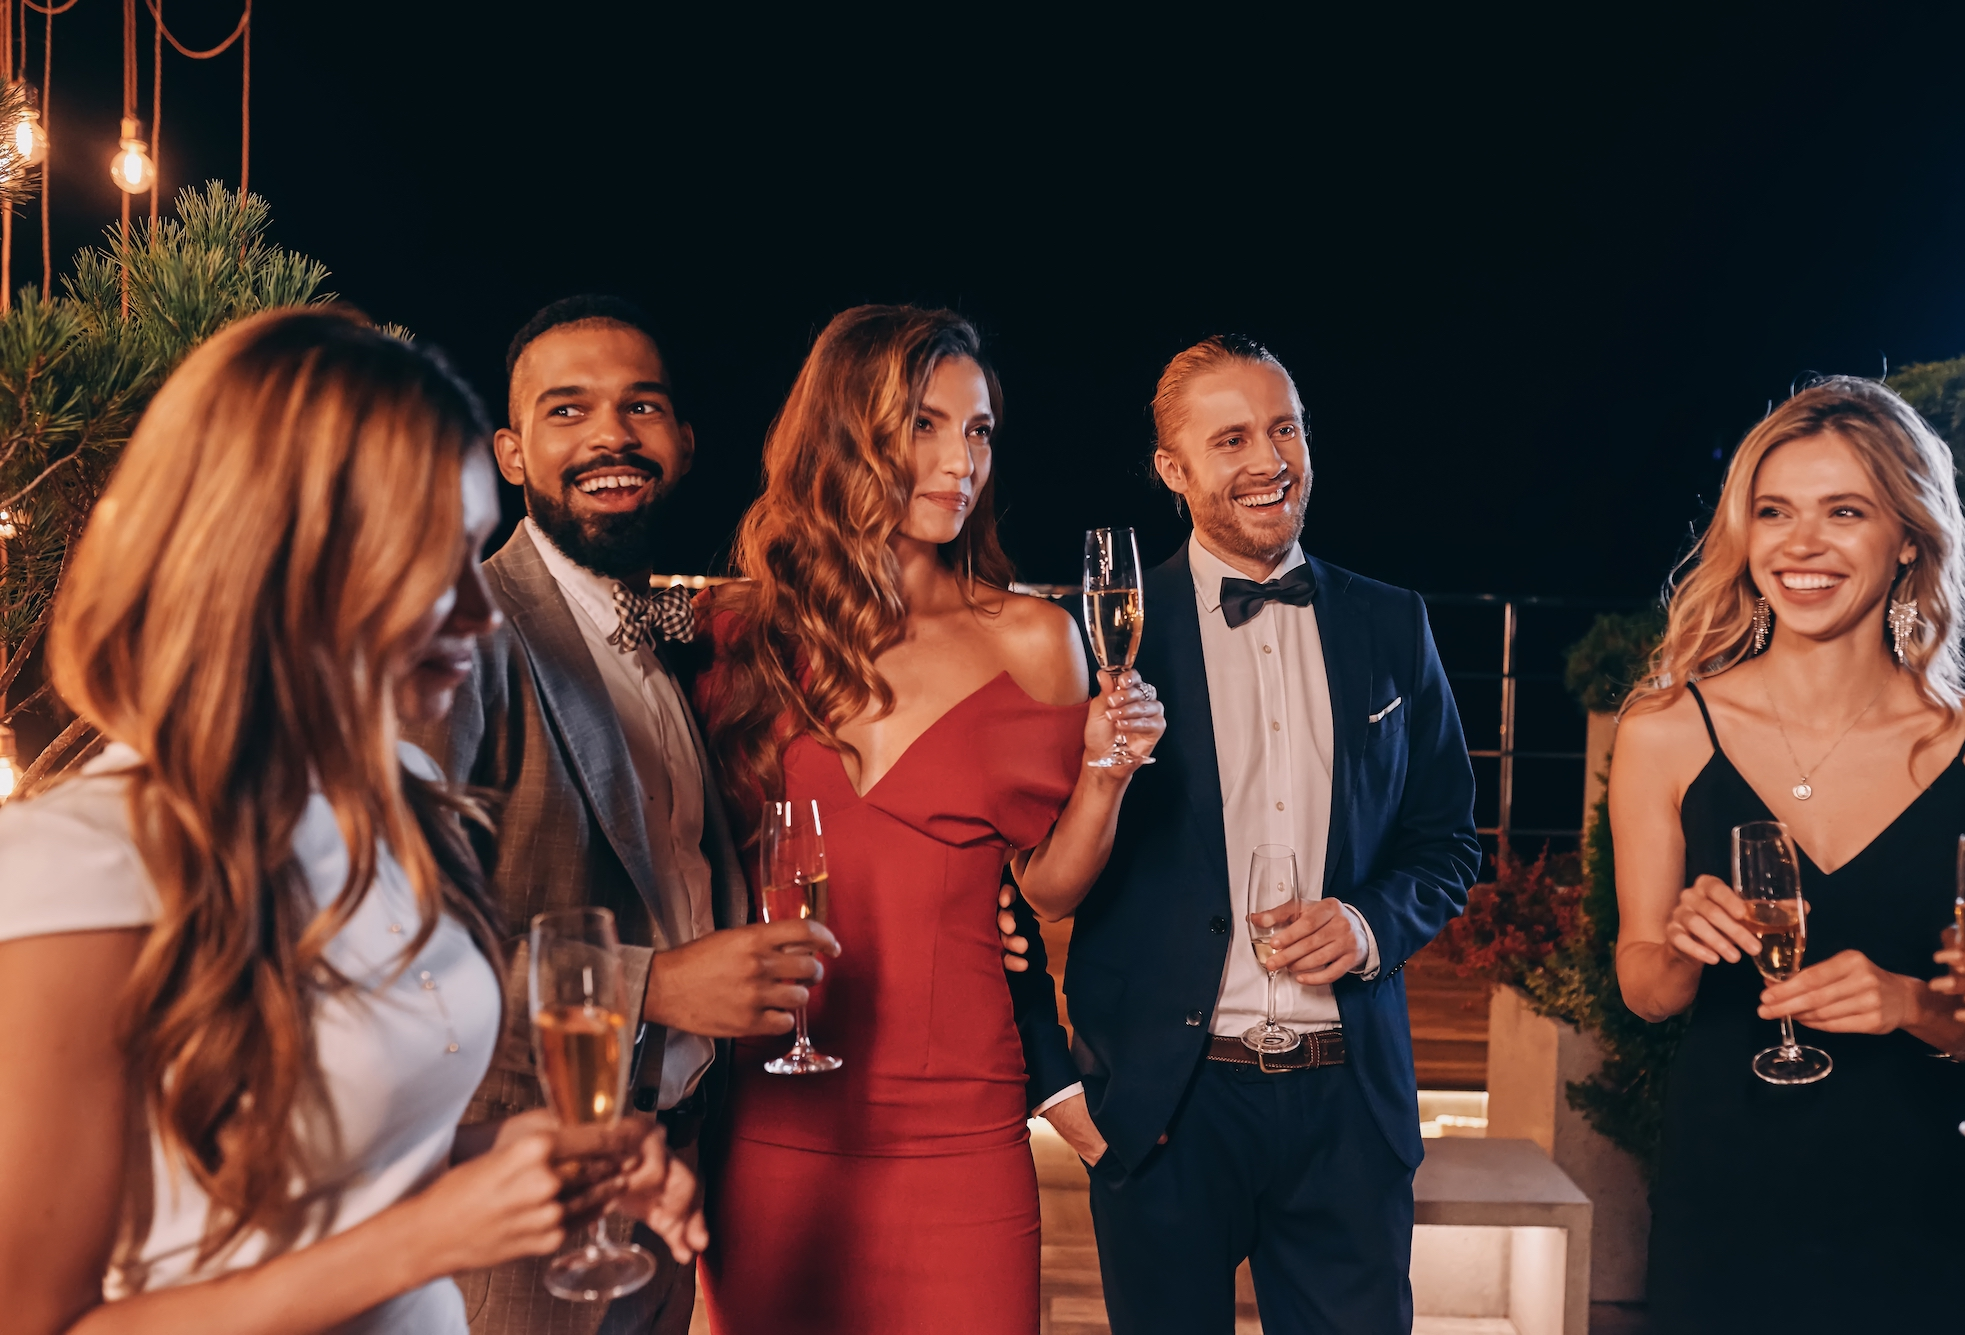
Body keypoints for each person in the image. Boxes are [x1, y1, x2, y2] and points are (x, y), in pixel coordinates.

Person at [0, 307, 675, 1334]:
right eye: (427, 558)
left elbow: (345, 1170)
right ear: (273, 555)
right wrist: (431, 1238)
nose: (479, 612)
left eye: (475, 551)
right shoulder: (81, 862)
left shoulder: (399, 809)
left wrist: (527, 1162)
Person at [690, 304, 1165, 1334]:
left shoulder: (1034, 637)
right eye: (924, 425)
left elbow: (1043, 887)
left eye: (979, 430)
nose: (961, 460)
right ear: (846, 433)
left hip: (961, 1128)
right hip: (777, 1120)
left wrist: (1104, 777)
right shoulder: (746, 638)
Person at [412, 295, 833, 1335]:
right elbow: (405, 932)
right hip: (518, 1192)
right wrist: (660, 985)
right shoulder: (466, 630)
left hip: (669, 1171)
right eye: (568, 412)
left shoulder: (661, 635)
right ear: (510, 453)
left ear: (682, 445)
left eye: (639, 408)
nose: (610, 435)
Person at [1041, 334, 1479, 1335]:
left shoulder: (1391, 623)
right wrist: (1060, 1089)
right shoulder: (1099, 632)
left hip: (1348, 1110)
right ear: (1172, 468)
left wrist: (1367, 926)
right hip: (1165, 1110)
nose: (1267, 459)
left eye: (1283, 428)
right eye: (1230, 437)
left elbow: (1447, 840)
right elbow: (1022, 874)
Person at [1610, 375, 1965, 1334]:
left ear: (1908, 536)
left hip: (1923, 1200)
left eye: (1846, 511)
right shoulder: (1666, 729)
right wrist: (1679, 942)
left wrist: (1912, 1002)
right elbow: (1645, 988)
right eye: (1775, 511)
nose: (1803, 544)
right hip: (1726, 1195)